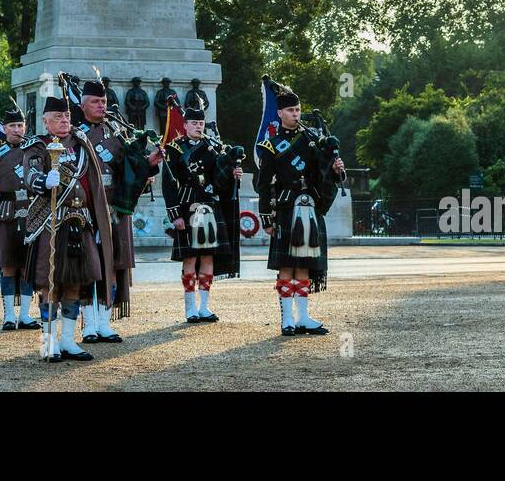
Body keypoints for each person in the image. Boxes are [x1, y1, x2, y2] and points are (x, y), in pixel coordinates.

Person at [21, 95, 114, 363]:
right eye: (58, 117)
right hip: (50, 223)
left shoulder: (81, 143)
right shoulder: (36, 146)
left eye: (67, 117)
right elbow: (29, 175)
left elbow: (93, 182)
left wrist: (98, 221)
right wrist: (42, 181)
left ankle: (68, 341)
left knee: (75, 282)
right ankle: (48, 342)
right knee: (49, 283)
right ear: (46, 121)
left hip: (80, 221)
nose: (64, 121)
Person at [255, 85, 346, 336]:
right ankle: (287, 320)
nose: (296, 114)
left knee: (304, 263)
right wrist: (267, 217)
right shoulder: (271, 146)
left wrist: (335, 168)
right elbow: (263, 186)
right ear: (280, 113)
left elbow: (322, 173)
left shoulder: (313, 140)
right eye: (290, 110)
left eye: (298, 110)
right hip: (285, 208)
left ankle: (304, 317)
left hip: (309, 208)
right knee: (286, 264)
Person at [75, 77, 159, 344]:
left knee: (113, 265)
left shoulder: (116, 133)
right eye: (95, 102)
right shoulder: (75, 136)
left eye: (103, 101)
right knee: (90, 265)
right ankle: (88, 324)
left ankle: (104, 322)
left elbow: (128, 169)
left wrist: (149, 163)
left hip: (115, 208)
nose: (102, 106)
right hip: (87, 209)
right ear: (82, 104)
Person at [162, 107, 242, 322]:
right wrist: (174, 214)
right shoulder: (174, 149)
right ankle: (190, 308)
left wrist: (233, 173)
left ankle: (204, 307)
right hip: (186, 204)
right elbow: (168, 184)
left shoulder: (213, 148)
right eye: (194, 123)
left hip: (209, 205)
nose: (198, 127)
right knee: (190, 257)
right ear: (185, 125)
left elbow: (220, 180)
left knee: (208, 256)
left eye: (201, 123)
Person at [0, 109, 40, 331]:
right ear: (4, 129)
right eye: (12, 126)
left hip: (32, 212)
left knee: (27, 265)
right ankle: (8, 315)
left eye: (20, 125)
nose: (17, 130)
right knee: (8, 264)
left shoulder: (33, 149)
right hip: (6, 213)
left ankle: (25, 314)